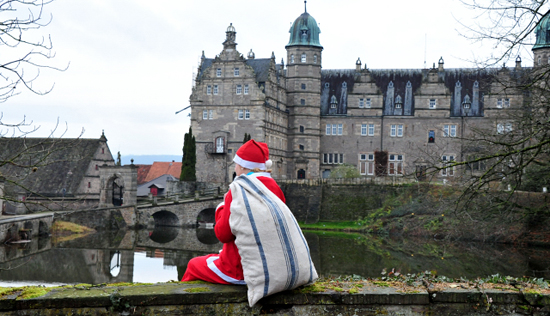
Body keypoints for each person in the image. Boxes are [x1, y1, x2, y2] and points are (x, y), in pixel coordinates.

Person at [181, 139, 285, 284]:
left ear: (242, 167)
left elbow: (223, 234)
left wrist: (222, 207)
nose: (235, 168)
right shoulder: (275, 188)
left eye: (236, 164)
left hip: (239, 270)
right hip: (268, 268)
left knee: (193, 265)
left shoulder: (238, 188)